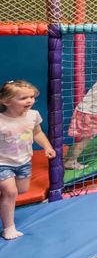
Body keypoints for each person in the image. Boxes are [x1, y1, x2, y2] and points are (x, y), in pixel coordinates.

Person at [0, 80, 56, 239]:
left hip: (23, 161)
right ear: (6, 101)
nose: (30, 101)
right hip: (2, 162)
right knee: (10, 192)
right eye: (23, 98)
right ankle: (9, 228)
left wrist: (47, 147)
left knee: (20, 191)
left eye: (32, 97)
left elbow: (37, 133)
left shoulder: (33, 115)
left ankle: (5, 203)